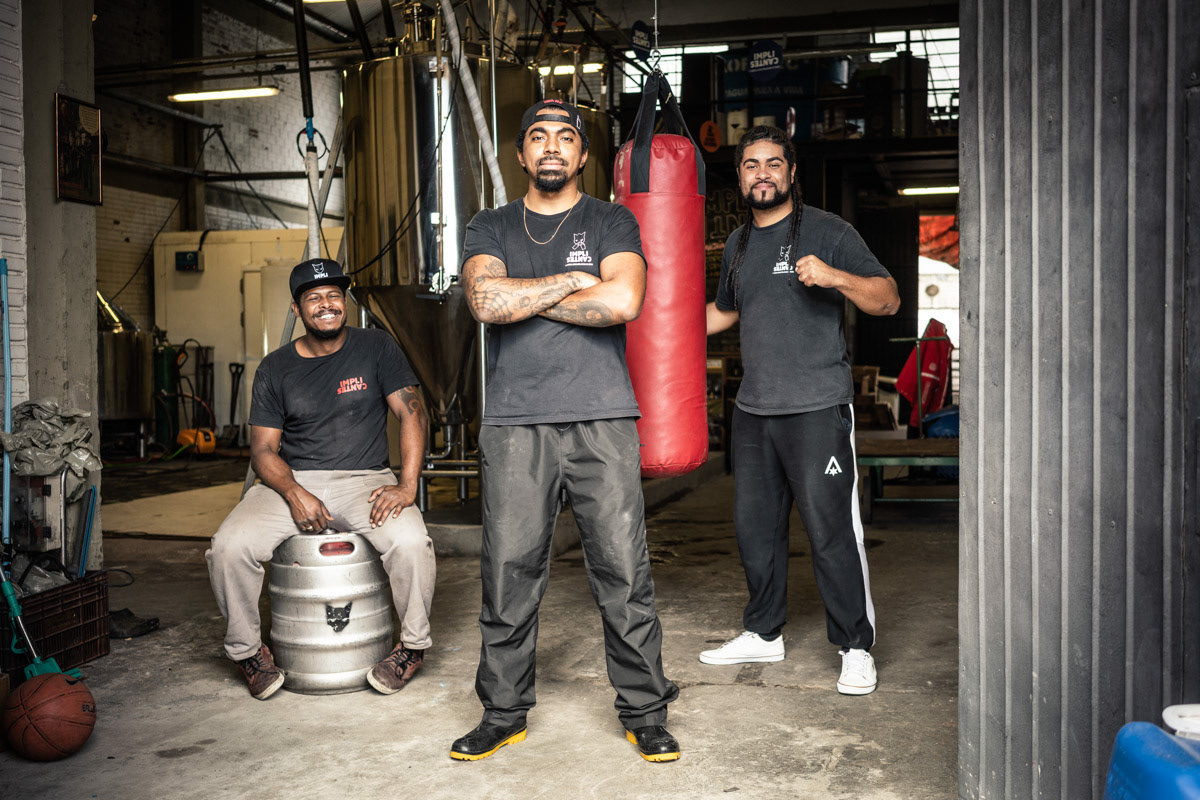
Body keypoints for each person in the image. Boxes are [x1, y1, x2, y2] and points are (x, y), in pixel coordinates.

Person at [449, 99, 680, 763]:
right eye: (538, 138)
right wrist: (576, 280)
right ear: (520, 155)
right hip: (516, 424)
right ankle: (502, 711)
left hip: (603, 417)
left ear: (583, 157)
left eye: (566, 138)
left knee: (622, 566)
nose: (552, 147)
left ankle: (644, 710)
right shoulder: (490, 224)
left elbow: (624, 302)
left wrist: (532, 296)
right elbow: (487, 303)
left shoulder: (612, 217)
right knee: (507, 569)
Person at [701, 125, 900, 696]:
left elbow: (888, 298)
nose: (761, 173)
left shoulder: (828, 231)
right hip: (755, 412)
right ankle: (764, 633)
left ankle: (856, 646)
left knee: (831, 531)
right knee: (755, 530)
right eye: (750, 166)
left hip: (817, 409)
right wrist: (656, 328)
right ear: (739, 178)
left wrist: (835, 276)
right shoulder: (737, 246)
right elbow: (724, 315)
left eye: (772, 163)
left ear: (790, 172)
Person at [206, 258, 436, 700]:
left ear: (344, 301)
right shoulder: (276, 368)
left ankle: (410, 649)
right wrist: (293, 492)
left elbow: (411, 412)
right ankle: (249, 653)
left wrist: (407, 486)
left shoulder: (377, 348)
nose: (326, 305)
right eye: (314, 298)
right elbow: (262, 451)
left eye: (333, 296)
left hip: (364, 477)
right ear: (297, 309)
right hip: (292, 479)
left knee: (411, 544)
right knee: (227, 548)